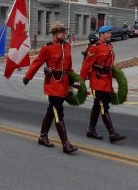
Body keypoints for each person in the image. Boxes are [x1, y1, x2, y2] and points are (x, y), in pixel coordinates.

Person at [22, 22, 78, 154]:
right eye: (62, 32)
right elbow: (37, 62)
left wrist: (74, 80)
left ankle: (42, 136)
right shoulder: (47, 48)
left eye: (64, 32)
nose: (64, 34)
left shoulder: (67, 46)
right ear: (55, 34)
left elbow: (69, 67)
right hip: (53, 85)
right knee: (58, 112)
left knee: (51, 112)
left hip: (63, 84)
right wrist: (28, 77)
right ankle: (66, 144)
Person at [80, 25, 126, 143]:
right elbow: (86, 66)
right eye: (107, 33)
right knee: (102, 106)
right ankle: (112, 133)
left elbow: (110, 66)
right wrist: (81, 82)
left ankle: (90, 129)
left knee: (97, 106)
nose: (110, 34)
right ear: (101, 35)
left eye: (110, 32)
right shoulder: (95, 48)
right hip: (97, 82)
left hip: (106, 81)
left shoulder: (109, 46)